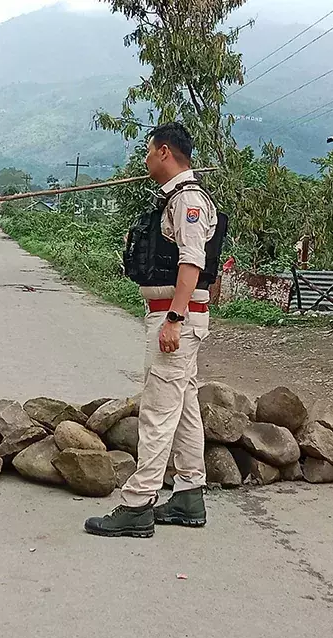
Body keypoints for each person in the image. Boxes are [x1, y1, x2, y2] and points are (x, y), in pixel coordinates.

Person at [85, 122, 220, 538]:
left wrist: (174, 320)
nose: (144, 160)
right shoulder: (177, 198)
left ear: (164, 152)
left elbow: (192, 263)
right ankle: (188, 494)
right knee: (185, 408)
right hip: (173, 314)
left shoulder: (188, 201)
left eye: (148, 151)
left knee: (158, 411)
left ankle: (138, 504)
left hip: (174, 317)